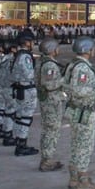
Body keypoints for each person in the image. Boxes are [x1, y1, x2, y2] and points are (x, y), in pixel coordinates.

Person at [63, 36, 95, 189]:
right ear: (87, 50)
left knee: (76, 145)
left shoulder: (73, 65)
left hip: (75, 110)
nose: (94, 50)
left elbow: (66, 86)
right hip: (83, 112)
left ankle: (74, 178)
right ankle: (83, 181)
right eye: (92, 48)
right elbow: (80, 90)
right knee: (84, 147)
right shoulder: (83, 69)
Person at [36, 37, 66, 171]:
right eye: (56, 47)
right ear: (51, 50)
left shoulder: (42, 62)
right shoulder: (50, 65)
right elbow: (49, 84)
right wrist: (64, 80)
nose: (58, 49)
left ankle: (46, 158)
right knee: (51, 131)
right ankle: (47, 161)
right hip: (51, 101)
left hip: (48, 100)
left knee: (48, 130)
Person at [10, 31, 39, 156]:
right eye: (31, 41)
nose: (33, 43)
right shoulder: (25, 57)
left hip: (19, 88)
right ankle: (21, 145)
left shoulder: (17, 55)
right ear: (26, 42)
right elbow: (29, 75)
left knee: (20, 117)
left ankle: (19, 141)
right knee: (25, 118)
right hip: (26, 89)